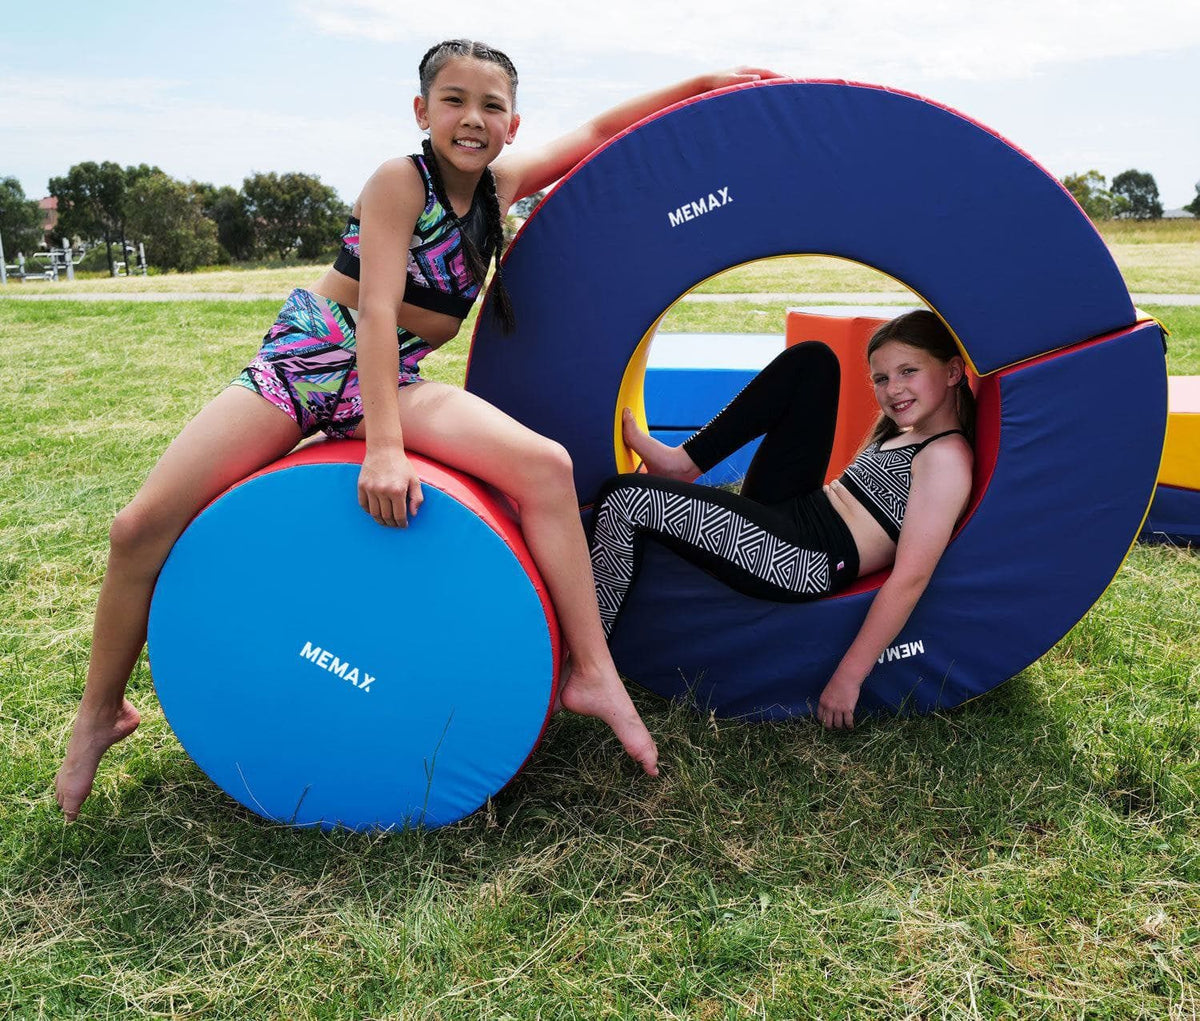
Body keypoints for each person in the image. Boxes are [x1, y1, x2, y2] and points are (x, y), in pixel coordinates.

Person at [55, 38, 779, 819]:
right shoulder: (400, 180)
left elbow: (602, 130)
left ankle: (592, 672)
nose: (473, 118)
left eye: (491, 105)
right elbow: (372, 312)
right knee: (137, 528)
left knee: (546, 467)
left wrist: (703, 82)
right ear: (422, 110)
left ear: (512, 121)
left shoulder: (500, 187)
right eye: (455, 100)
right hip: (308, 363)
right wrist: (385, 447)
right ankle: (103, 710)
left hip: (392, 377)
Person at [589, 310, 976, 729]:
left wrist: (849, 677)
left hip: (801, 560)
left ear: (953, 371)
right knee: (813, 361)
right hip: (795, 513)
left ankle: (588, 661)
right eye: (881, 378)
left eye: (908, 371)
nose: (892, 389)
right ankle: (684, 463)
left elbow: (911, 578)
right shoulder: (908, 431)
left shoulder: (946, 459)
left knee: (625, 498)